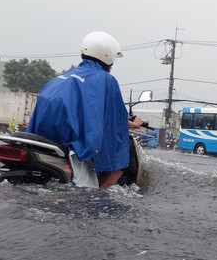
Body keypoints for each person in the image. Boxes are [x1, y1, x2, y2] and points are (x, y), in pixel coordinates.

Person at [26, 31, 143, 190]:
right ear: (108, 55)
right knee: (123, 157)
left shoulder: (59, 79)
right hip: (74, 148)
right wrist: (134, 125)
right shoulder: (106, 80)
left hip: (42, 144)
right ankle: (102, 190)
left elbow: (90, 114)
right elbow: (113, 120)